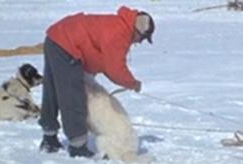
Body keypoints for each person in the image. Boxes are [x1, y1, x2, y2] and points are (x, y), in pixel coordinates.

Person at [38, 6, 155, 158]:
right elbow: (115, 69)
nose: (139, 42)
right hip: (67, 45)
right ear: (139, 31)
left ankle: (49, 138)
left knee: (53, 90)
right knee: (73, 96)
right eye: (143, 38)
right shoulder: (120, 33)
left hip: (56, 37)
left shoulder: (117, 24)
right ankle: (78, 147)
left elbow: (99, 55)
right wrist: (132, 83)